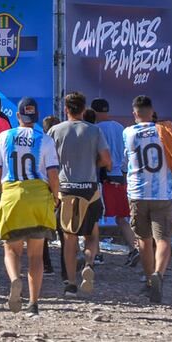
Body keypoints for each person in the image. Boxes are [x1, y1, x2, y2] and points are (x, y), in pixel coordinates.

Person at [0, 97, 59, 317]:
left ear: (18, 116)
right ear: (36, 117)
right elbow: (53, 174)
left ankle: (15, 279)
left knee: (11, 249)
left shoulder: (4, 137)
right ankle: (33, 303)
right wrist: (56, 197)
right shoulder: (44, 140)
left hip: (11, 195)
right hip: (38, 197)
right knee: (36, 255)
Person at [48, 92, 111, 296]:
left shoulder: (55, 131)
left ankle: (70, 283)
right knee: (91, 235)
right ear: (84, 109)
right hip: (90, 189)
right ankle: (89, 262)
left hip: (65, 189)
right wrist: (95, 164)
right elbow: (106, 159)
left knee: (69, 238)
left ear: (66, 109)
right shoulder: (94, 131)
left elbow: (47, 162)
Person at [123, 96, 172, 303]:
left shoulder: (129, 132)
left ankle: (149, 280)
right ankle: (159, 273)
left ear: (134, 113)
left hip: (138, 193)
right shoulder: (165, 132)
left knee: (144, 240)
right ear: (152, 111)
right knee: (164, 238)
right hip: (163, 193)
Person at [91, 98, 139, 267]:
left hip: (104, 178)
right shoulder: (120, 127)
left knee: (94, 218)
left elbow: (101, 157)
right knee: (121, 218)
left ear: (94, 112)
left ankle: (96, 254)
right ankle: (134, 249)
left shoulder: (95, 129)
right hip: (121, 176)